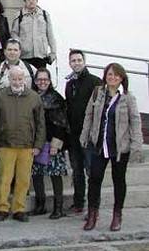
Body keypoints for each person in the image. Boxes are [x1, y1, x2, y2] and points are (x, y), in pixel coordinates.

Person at [80, 63, 143, 232]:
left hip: (119, 148)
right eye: (109, 74)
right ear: (105, 76)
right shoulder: (97, 93)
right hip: (99, 145)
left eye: (116, 75)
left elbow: (135, 121)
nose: (112, 78)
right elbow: (89, 116)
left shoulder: (128, 98)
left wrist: (137, 144)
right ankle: (93, 215)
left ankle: (117, 215)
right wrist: (84, 136)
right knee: (94, 180)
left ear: (122, 78)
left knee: (118, 181)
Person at [0, 66, 45, 223]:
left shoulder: (34, 97)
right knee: (4, 179)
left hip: (27, 145)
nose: (17, 81)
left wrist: (38, 145)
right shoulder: (0, 97)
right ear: (9, 79)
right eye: (13, 78)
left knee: (23, 180)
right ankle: (2, 208)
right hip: (5, 144)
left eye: (20, 78)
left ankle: (19, 209)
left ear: (25, 79)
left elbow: (40, 123)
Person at [64, 49, 102, 214]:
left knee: (91, 172)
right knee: (77, 171)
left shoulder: (95, 82)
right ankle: (79, 203)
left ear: (84, 61)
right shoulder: (69, 83)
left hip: (89, 136)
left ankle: (94, 207)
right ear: (70, 63)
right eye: (73, 60)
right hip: (73, 135)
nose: (76, 63)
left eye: (79, 60)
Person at [29, 68, 69, 220]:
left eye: (45, 79)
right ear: (35, 81)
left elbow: (62, 124)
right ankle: (40, 205)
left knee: (55, 175)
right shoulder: (31, 97)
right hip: (36, 142)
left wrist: (56, 144)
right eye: (39, 79)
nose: (42, 82)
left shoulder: (56, 98)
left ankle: (58, 208)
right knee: (37, 174)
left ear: (50, 81)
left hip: (52, 142)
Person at [11, 0, 57, 69]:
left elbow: (50, 35)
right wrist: (20, 45)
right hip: (25, 56)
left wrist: (53, 52)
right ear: (25, 2)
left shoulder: (44, 15)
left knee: (40, 79)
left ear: (36, 1)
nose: (31, 2)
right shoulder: (19, 16)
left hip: (41, 55)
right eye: (28, 0)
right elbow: (14, 33)